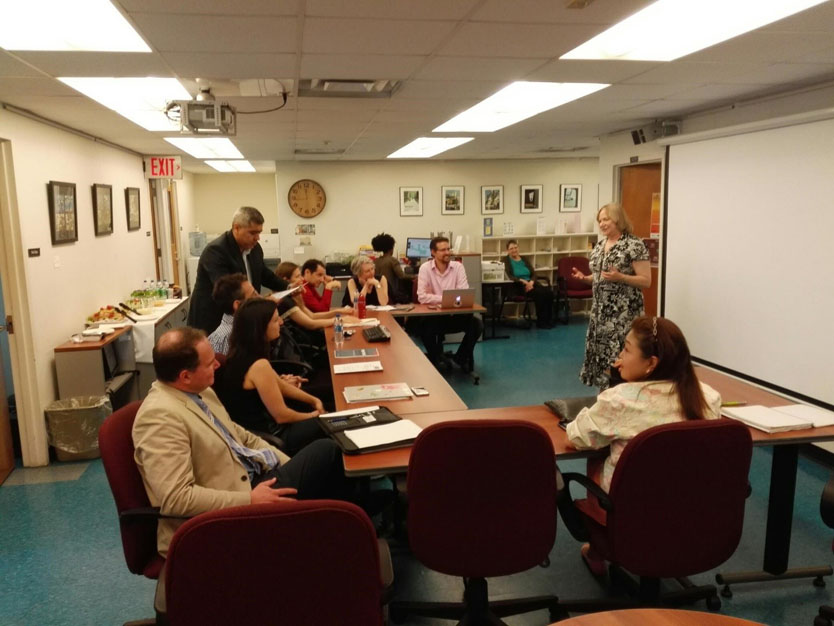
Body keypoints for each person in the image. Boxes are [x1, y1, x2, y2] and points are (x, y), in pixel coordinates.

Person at [132, 327, 347, 557]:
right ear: (185, 376)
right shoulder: (159, 418)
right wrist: (250, 499)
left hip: (252, 479)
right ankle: (350, 530)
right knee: (327, 451)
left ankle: (346, 526)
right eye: (209, 363)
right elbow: (176, 499)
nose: (217, 365)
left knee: (322, 462)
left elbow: (242, 437)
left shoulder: (200, 391)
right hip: (224, 515)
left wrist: (288, 464)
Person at [565, 316, 721, 574]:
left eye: (626, 349)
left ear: (651, 363)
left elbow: (577, 436)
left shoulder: (620, 400)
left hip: (629, 512)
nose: (620, 356)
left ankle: (597, 546)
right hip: (689, 505)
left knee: (598, 457)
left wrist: (618, 386)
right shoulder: (708, 397)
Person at [216, 297, 328, 456]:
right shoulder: (258, 365)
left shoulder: (241, 354)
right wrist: (314, 415)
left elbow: (282, 386)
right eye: (276, 320)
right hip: (271, 436)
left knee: (326, 407)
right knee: (331, 424)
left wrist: (314, 400)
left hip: (260, 428)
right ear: (260, 328)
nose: (281, 323)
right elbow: (281, 416)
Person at [573, 203, 651, 389]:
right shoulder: (600, 245)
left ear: (618, 219)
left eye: (606, 219)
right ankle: (605, 399)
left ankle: (624, 397)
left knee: (620, 359)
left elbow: (646, 281)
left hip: (623, 315)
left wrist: (621, 277)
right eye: (600, 220)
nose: (602, 224)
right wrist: (585, 278)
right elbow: (601, 276)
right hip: (600, 316)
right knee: (603, 362)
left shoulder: (634, 245)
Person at [188, 206, 288, 334]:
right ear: (236, 228)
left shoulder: (255, 249)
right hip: (214, 322)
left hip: (241, 317)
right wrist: (262, 302)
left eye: (259, 232)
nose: (257, 238)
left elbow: (264, 274)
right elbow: (228, 291)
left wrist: (288, 286)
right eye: (252, 233)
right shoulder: (216, 251)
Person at [416, 236, 483, 371]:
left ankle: (461, 358)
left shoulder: (458, 267)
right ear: (433, 252)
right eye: (442, 250)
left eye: (448, 249)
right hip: (435, 317)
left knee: (477, 325)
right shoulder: (425, 268)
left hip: (455, 315)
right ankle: (436, 358)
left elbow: (463, 292)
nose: (447, 252)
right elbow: (422, 297)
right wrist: (446, 298)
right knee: (423, 327)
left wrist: (440, 298)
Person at [503, 239, 554, 328]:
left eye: (515, 247)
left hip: (531, 283)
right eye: (511, 248)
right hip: (519, 286)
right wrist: (522, 281)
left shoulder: (524, 259)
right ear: (507, 250)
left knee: (549, 293)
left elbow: (533, 273)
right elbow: (509, 276)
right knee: (540, 294)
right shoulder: (505, 261)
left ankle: (549, 320)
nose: (514, 250)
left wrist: (531, 282)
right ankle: (541, 322)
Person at [207, 273, 255, 355]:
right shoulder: (228, 338)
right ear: (237, 305)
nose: (259, 298)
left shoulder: (244, 327)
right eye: (253, 295)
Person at [372, 233, 409, 303]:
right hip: (391, 295)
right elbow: (402, 276)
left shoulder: (375, 261)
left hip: (377, 294)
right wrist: (416, 276)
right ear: (391, 249)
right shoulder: (392, 260)